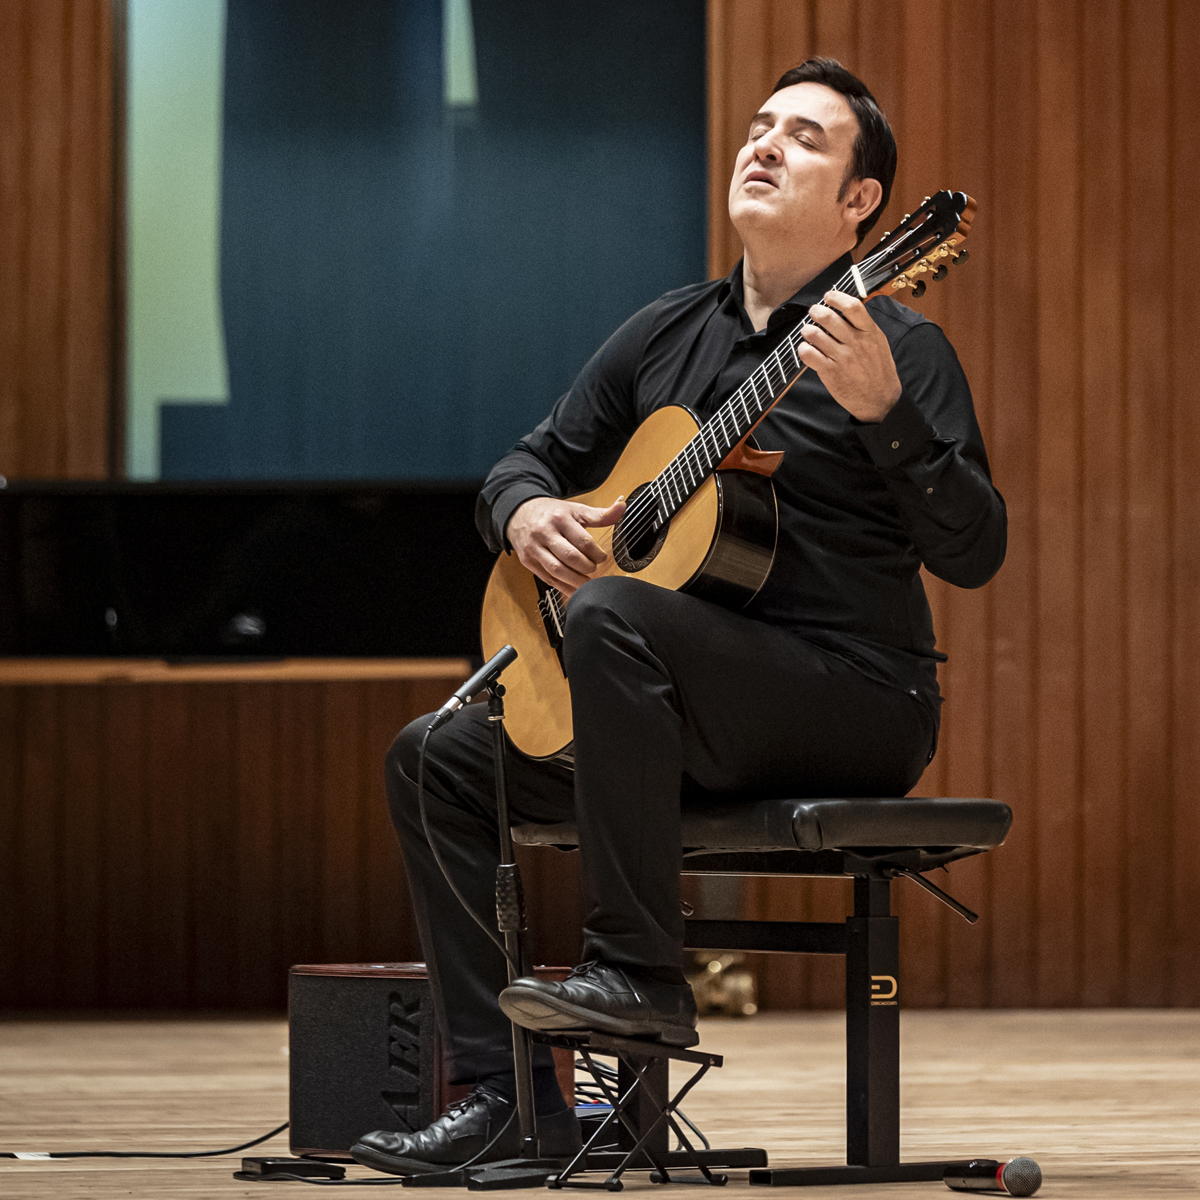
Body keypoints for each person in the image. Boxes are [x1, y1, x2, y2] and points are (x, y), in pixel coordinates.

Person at [351, 58, 1006, 1177]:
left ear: (864, 208)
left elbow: (975, 550)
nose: (764, 143)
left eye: (803, 137)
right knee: (435, 759)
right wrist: (526, 515)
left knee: (615, 613)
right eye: (759, 126)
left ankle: (641, 978)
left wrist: (889, 420)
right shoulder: (666, 332)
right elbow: (522, 464)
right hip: (667, 699)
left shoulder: (896, 348)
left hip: (855, 693)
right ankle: (505, 1101)